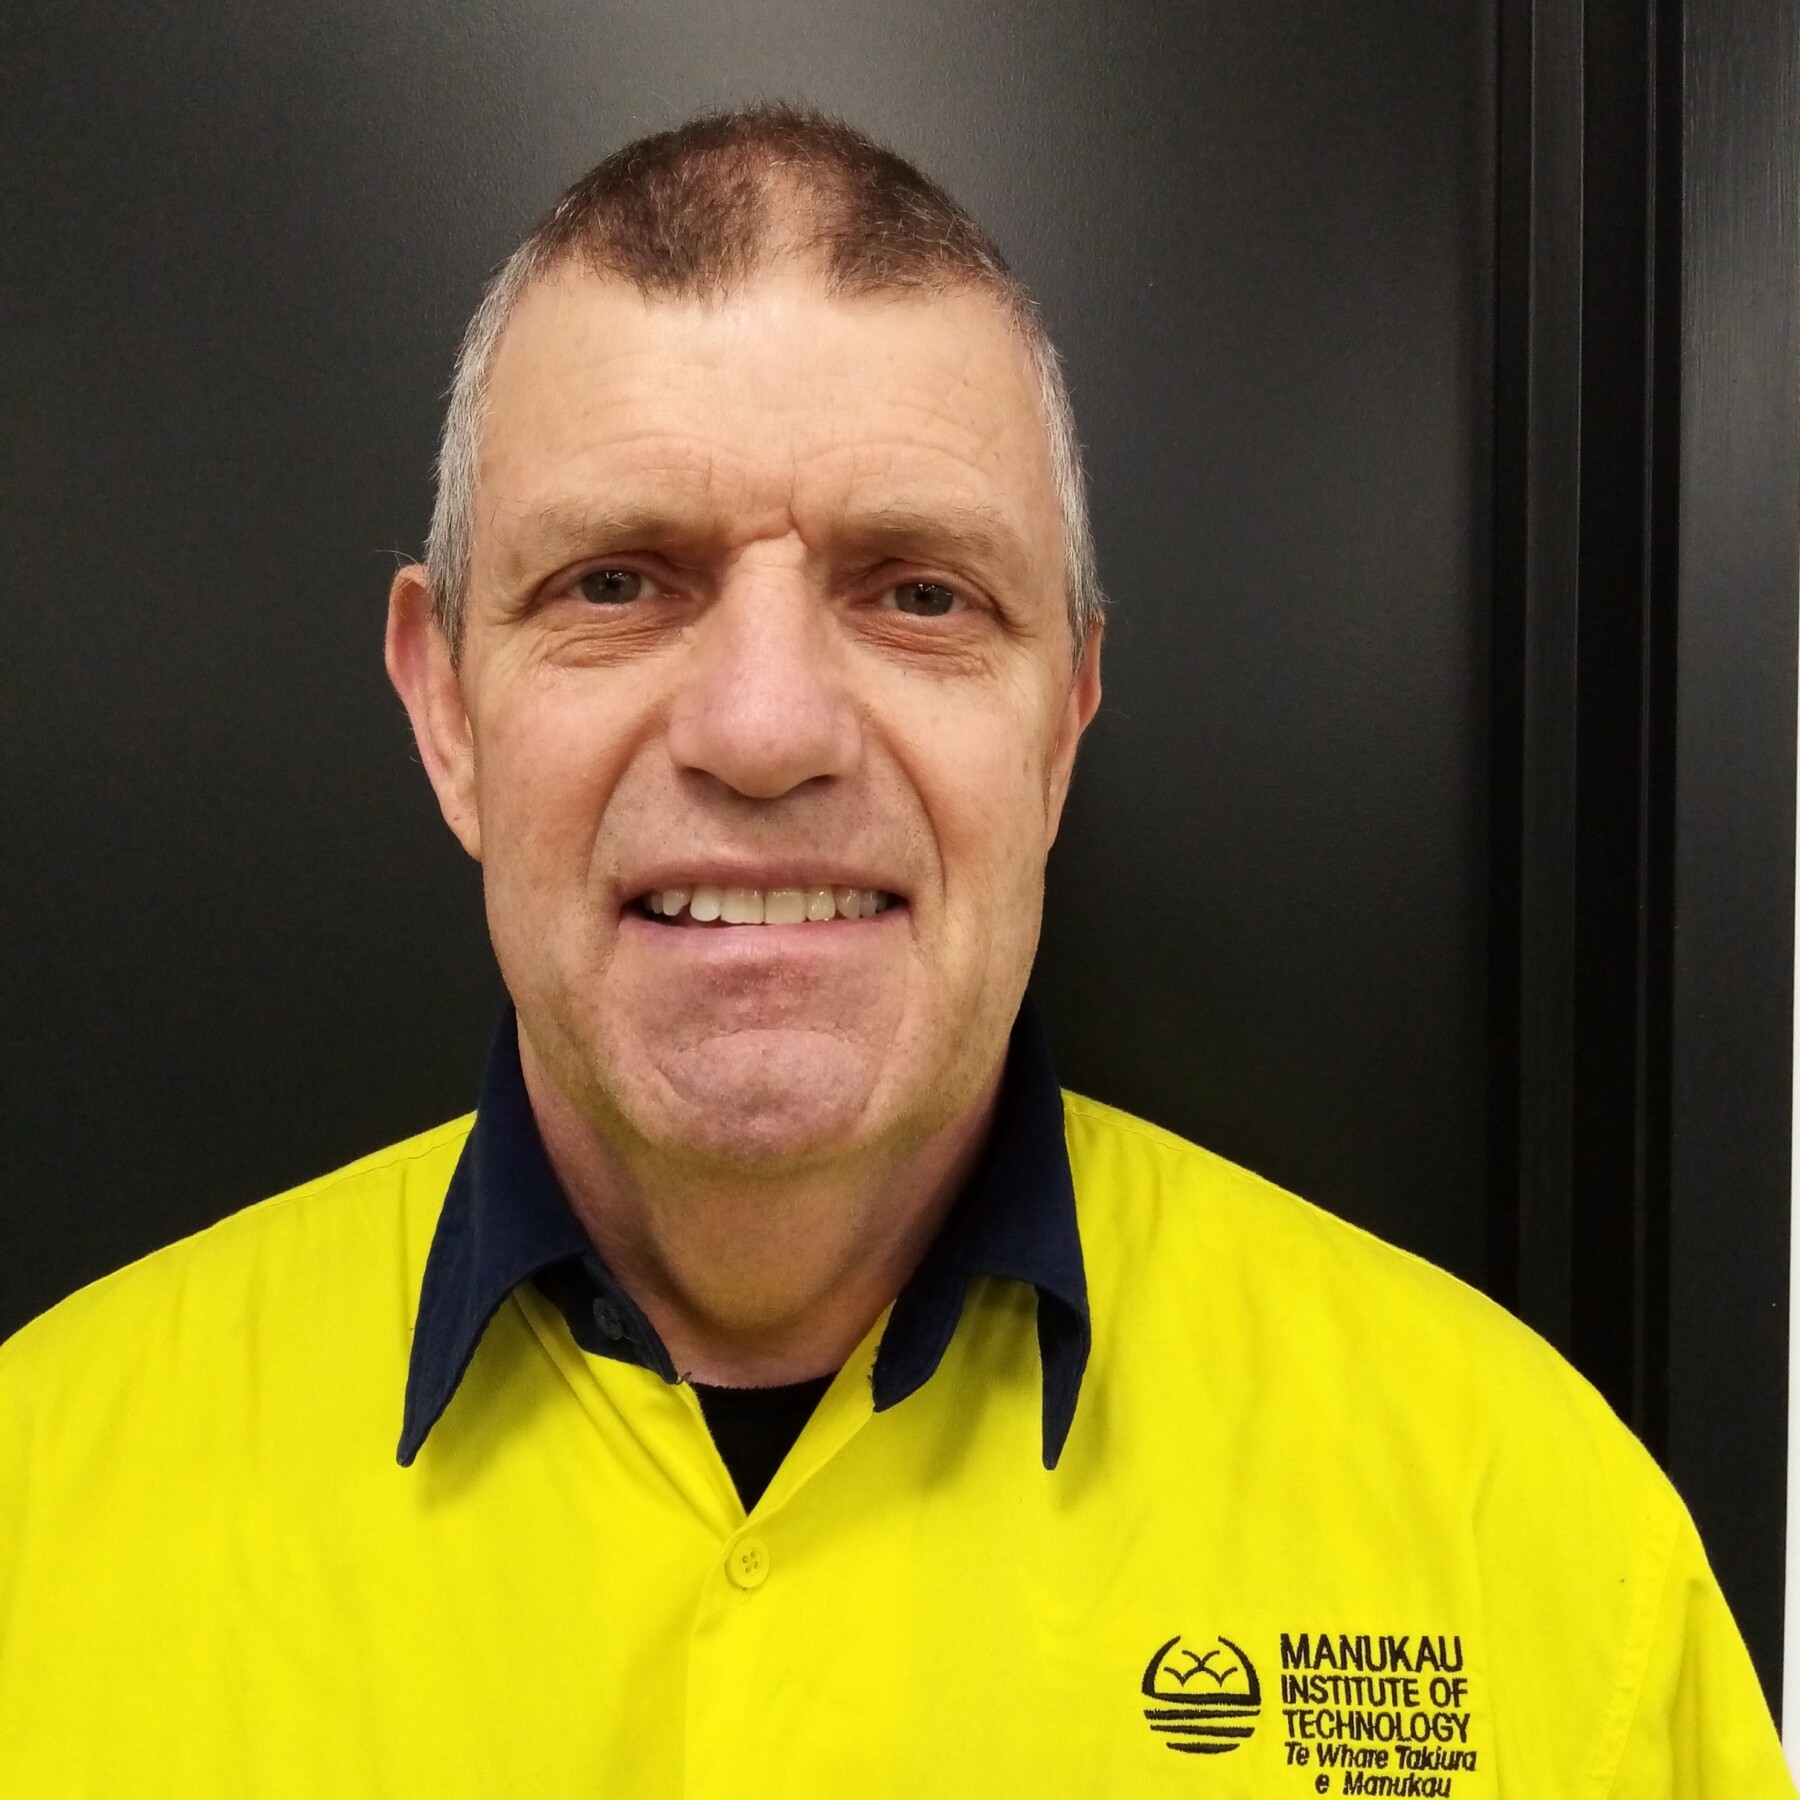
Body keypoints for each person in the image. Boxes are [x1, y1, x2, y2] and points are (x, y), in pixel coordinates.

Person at [0, 105, 1787, 1798]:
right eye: (617, 582)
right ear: (447, 714)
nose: (766, 729)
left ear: (1064, 721)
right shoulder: (41, 1509)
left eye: (921, 593)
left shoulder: (1528, 1541)